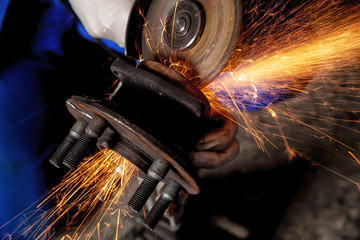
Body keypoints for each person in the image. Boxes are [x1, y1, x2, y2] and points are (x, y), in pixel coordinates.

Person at [0, 0, 239, 236]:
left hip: (123, 44)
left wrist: (225, 97)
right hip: (24, 29)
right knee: (19, 206)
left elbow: (267, 66)